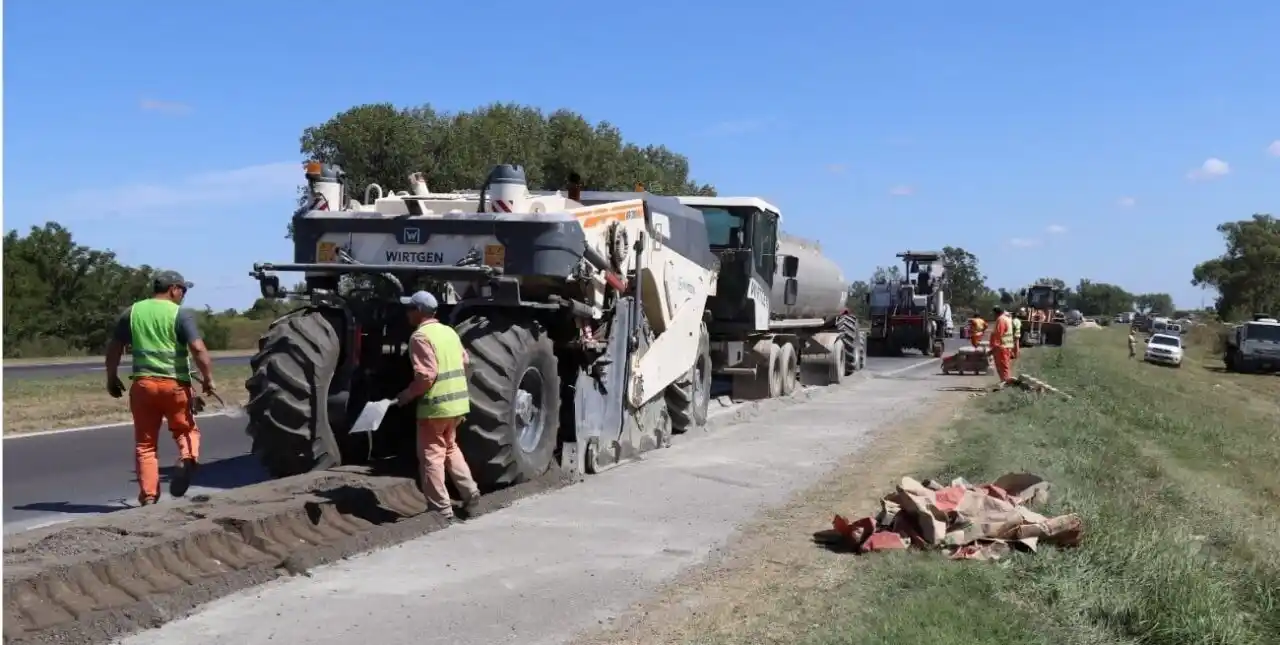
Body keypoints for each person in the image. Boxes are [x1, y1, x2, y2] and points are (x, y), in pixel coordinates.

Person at [105, 271, 215, 506]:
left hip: (143, 387)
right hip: (175, 386)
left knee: (145, 444)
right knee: (186, 430)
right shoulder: (180, 314)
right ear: (173, 289)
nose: (183, 295)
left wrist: (111, 377)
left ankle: (148, 496)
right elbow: (198, 348)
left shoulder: (132, 312)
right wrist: (208, 378)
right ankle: (187, 459)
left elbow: (114, 348)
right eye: (183, 290)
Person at [394, 290, 481, 522]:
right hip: (457, 405)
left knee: (432, 457)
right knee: (450, 448)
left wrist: (406, 395)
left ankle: (440, 510)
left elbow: (426, 376)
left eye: (410, 309)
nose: (407, 313)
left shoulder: (420, 337)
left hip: (435, 408)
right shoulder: (449, 331)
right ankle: (470, 492)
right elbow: (465, 361)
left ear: (419, 311)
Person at [988, 306, 1016, 384]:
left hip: (1001, 347)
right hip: (1006, 346)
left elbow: (998, 335)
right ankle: (1005, 381)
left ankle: (1005, 382)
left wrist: (993, 349)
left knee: (1002, 366)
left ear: (995, 313)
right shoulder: (1007, 318)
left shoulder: (1001, 320)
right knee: (1004, 366)